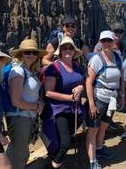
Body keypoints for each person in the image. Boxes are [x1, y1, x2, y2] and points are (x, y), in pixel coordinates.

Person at [42, 37, 86, 169]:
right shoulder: (53, 68)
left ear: (74, 51)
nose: (67, 50)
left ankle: (56, 161)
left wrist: (81, 88)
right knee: (65, 142)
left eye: (70, 47)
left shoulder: (76, 65)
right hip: (59, 110)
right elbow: (48, 92)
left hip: (75, 109)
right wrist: (70, 98)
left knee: (65, 139)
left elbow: (81, 81)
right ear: (60, 51)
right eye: (64, 48)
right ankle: (54, 165)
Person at [86, 30, 125, 169]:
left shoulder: (117, 57)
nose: (107, 43)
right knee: (93, 130)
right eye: (104, 41)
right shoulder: (96, 59)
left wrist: (121, 95)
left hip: (112, 99)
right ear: (100, 43)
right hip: (98, 99)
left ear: (113, 41)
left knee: (104, 126)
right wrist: (91, 103)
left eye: (109, 40)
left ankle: (99, 148)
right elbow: (88, 82)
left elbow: (121, 78)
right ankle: (92, 161)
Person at [5, 39, 46, 169]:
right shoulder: (17, 71)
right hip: (19, 118)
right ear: (21, 54)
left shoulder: (30, 72)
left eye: (34, 53)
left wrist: (38, 103)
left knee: (21, 151)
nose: (31, 55)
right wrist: (36, 106)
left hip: (28, 117)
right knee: (20, 153)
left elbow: (30, 94)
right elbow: (15, 100)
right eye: (27, 52)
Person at [93, 22, 125, 130]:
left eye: (120, 32)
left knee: (110, 107)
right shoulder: (101, 45)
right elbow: (95, 59)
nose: (118, 34)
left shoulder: (122, 45)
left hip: (115, 79)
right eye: (116, 31)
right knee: (99, 113)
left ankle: (109, 122)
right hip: (102, 82)